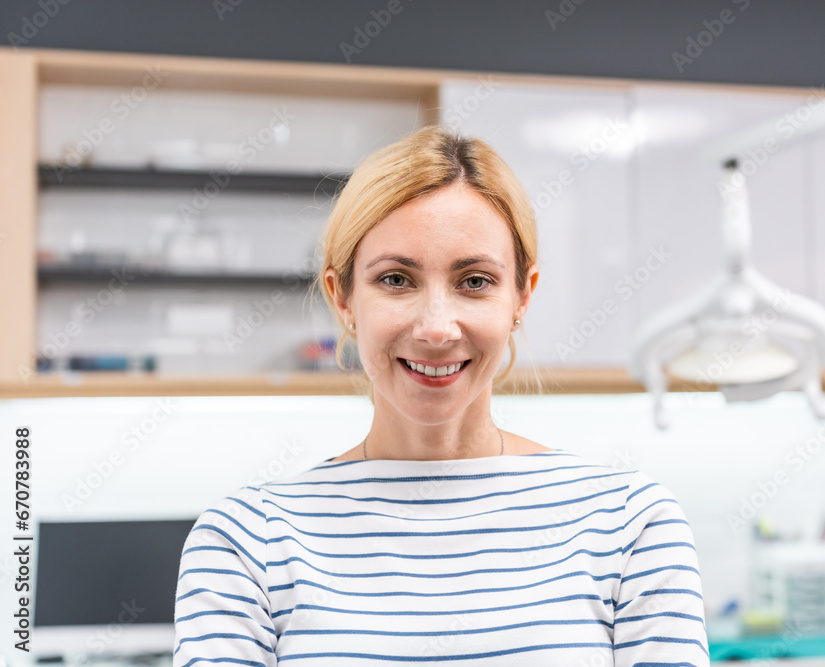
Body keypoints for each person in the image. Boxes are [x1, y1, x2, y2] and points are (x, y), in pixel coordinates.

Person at [173, 124, 709, 666]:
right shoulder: (246, 543)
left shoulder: (630, 524)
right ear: (343, 298)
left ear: (522, 296)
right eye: (396, 280)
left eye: (474, 281)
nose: (436, 328)